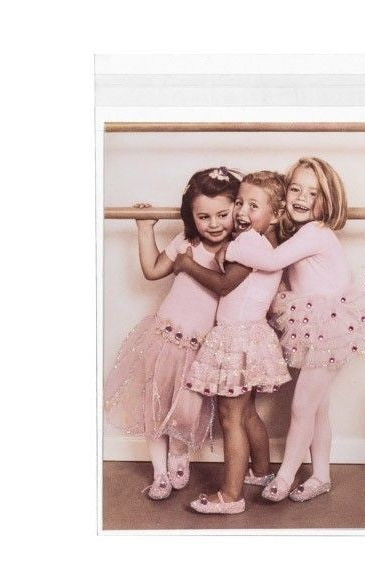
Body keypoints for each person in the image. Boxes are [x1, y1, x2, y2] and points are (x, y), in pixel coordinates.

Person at [222, 158, 365, 502]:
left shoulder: (315, 232)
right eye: (295, 189)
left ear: (328, 200)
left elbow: (271, 262)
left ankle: (284, 478)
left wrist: (232, 246)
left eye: (313, 193)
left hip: (329, 326)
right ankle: (321, 475)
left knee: (301, 407)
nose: (301, 198)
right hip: (316, 325)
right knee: (317, 407)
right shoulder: (300, 232)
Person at [104, 167, 240, 499]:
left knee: (185, 409)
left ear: (236, 210)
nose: (214, 224)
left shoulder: (239, 251)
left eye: (222, 214)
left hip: (201, 347)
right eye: (204, 216)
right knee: (155, 404)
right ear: (191, 217)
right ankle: (159, 473)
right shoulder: (186, 242)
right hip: (165, 338)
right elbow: (152, 270)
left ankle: (179, 456)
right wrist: (144, 228)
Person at [173, 171, 291, 514]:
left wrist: (187, 264)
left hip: (237, 336)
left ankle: (230, 496)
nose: (241, 211)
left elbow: (224, 285)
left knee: (231, 418)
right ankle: (262, 472)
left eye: (254, 206)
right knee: (247, 412)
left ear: (276, 215)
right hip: (250, 333)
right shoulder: (263, 244)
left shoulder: (249, 244)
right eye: (239, 202)